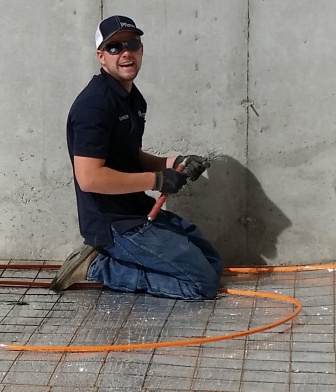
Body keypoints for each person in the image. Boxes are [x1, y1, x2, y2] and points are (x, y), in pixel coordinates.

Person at [52, 15, 225, 299]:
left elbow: (129, 156)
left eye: (132, 44)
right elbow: (90, 177)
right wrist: (157, 180)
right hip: (115, 224)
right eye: (114, 48)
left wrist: (175, 163)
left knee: (213, 264)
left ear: (141, 50)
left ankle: (115, 261)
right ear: (101, 57)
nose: (126, 53)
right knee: (202, 285)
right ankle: (98, 267)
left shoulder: (132, 99)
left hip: (138, 212)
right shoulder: (93, 106)